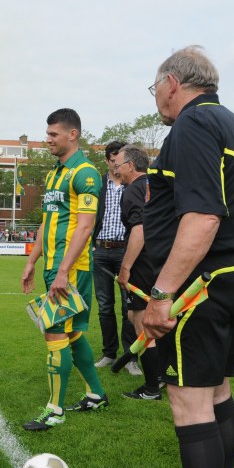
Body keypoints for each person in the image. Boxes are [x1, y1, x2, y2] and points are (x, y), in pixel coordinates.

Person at [142, 46, 234, 468]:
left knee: (189, 399)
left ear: (173, 83)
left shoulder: (192, 125)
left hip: (205, 281)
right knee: (216, 391)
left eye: (155, 86)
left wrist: (162, 293)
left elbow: (201, 217)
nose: (155, 95)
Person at [20, 108, 108, 431]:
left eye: (53, 134)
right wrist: (32, 260)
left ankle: (55, 409)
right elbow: (46, 222)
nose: (48, 140)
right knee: (71, 333)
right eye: (47, 134)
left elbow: (85, 228)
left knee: (54, 333)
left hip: (71, 269)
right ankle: (96, 394)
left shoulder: (85, 173)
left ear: (73, 134)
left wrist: (63, 272)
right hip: (54, 268)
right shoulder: (53, 175)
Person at [114, 145, 162, 400]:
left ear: (131, 166)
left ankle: (152, 386)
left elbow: (139, 229)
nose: (115, 169)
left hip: (143, 263)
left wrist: (126, 267)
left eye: (118, 165)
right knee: (144, 316)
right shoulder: (155, 185)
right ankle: (163, 376)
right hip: (162, 261)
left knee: (141, 321)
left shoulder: (133, 190)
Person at [92, 141, 138, 374]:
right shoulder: (98, 183)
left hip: (125, 250)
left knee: (128, 306)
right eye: (112, 161)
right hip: (100, 250)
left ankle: (130, 357)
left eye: (119, 160)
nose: (116, 165)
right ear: (107, 161)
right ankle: (109, 353)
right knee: (104, 306)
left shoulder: (135, 183)